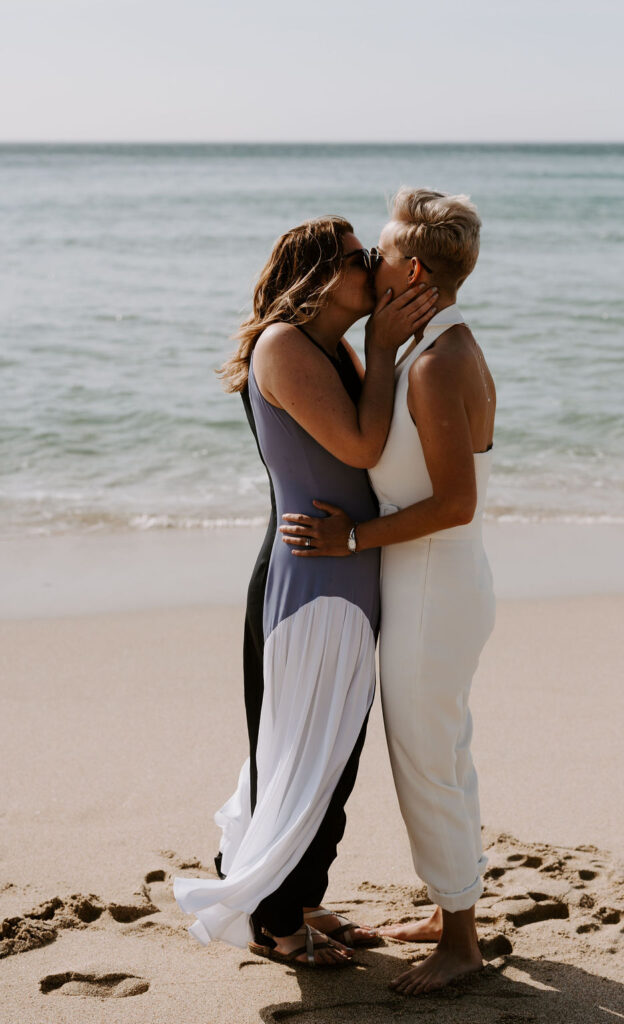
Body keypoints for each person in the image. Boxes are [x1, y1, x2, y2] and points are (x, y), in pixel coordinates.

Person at [173, 215, 438, 967]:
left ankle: (305, 900)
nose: (375, 269)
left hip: (344, 571)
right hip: (309, 580)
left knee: (334, 755)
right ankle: (273, 923)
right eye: (362, 258)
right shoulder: (285, 345)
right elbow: (360, 446)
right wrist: (386, 348)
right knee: (301, 753)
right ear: (323, 275)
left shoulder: (332, 347)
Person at [279, 189, 495, 993]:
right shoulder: (423, 345)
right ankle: (452, 909)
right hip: (432, 583)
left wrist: (350, 540)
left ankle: (462, 944)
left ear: (409, 268)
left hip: (435, 587)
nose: (366, 263)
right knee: (447, 750)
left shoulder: (438, 363)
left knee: (425, 762)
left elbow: (454, 503)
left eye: (374, 252)